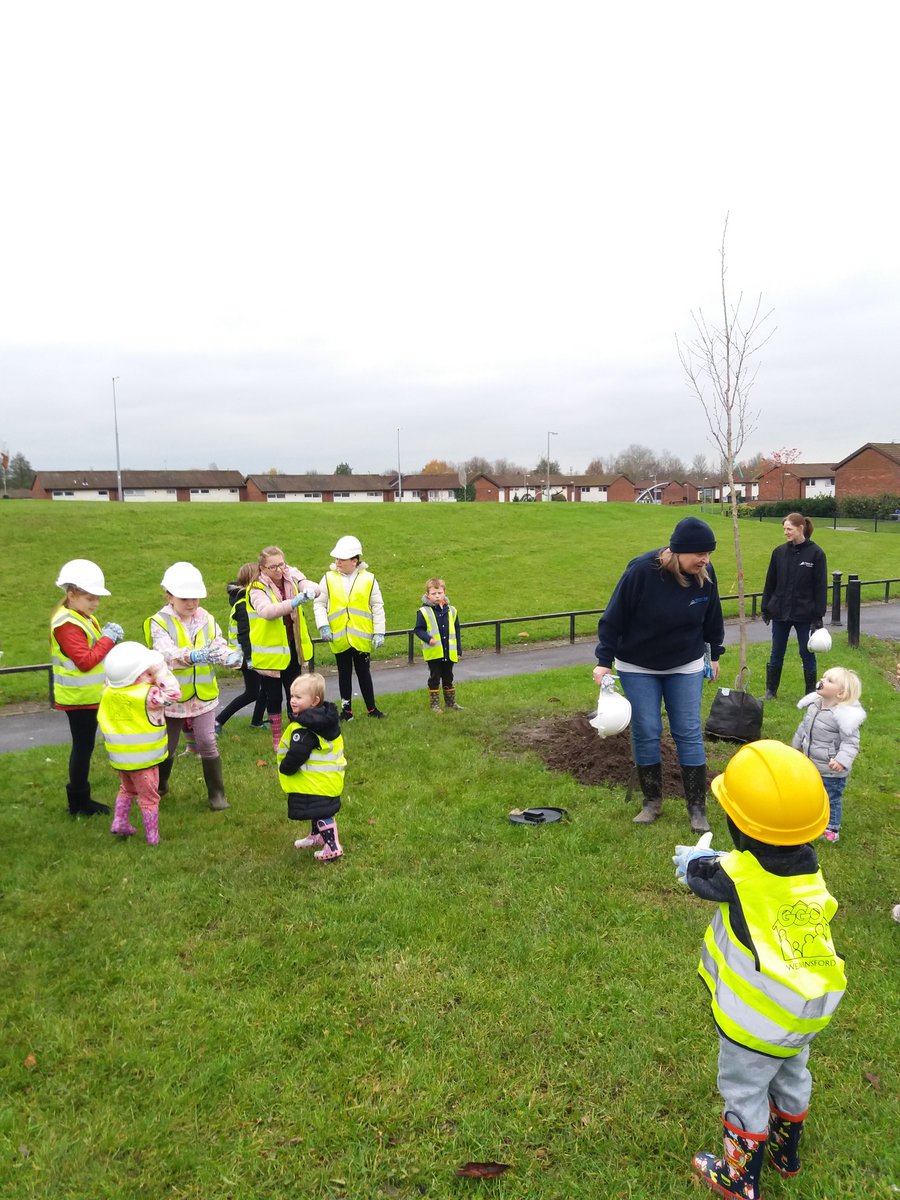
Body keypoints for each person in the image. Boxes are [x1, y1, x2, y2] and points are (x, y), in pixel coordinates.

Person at [673, 740, 846, 1199]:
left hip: (757, 1022)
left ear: (737, 824)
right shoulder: (809, 869)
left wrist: (691, 860)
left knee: (744, 1090)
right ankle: (785, 1156)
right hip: (805, 1011)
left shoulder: (737, 876)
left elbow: (702, 874)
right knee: (792, 1075)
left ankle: (737, 1179)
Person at [593, 517, 724, 832]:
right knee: (647, 730)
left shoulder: (705, 575)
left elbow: (712, 616)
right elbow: (614, 617)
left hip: (685, 663)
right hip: (638, 664)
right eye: (699, 553)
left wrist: (714, 653)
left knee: (688, 732)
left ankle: (697, 809)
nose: (705, 559)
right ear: (678, 551)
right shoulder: (641, 572)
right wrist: (603, 660)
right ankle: (652, 802)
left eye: (709, 553)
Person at [144, 561, 240, 811]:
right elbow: (165, 654)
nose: (192, 603)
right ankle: (160, 786)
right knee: (168, 745)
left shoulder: (206, 618)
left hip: (203, 695)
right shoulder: (158, 622)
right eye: (185, 598)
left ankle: (216, 795)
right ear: (169, 596)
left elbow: (216, 644)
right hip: (172, 696)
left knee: (208, 741)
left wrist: (229, 657)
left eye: (195, 598)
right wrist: (192, 655)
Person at [50, 558, 124, 816]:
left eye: (97, 598)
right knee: (82, 747)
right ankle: (79, 802)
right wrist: (108, 639)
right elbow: (85, 660)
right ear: (71, 595)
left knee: (85, 746)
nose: (95, 603)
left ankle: (81, 799)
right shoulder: (67, 623)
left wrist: (104, 638)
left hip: (88, 695)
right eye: (90, 598)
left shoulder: (79, 616)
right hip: (78, 698)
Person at [97, 642, 181, 845]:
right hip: (144, 758)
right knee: (149, 797)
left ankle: (120, 821)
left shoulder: (108, 690)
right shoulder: (149, 696)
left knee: (127, 788)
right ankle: (153, 836)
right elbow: (174, 694)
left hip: (121, 756)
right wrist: (161, 670)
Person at [247, 546, 320, 752]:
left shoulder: (291, 574)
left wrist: (310, 590)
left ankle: (296, 732)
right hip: (270, 651)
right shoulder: (256, 588)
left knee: (295, 693)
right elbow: (267, 612)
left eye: (281, 564)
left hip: (292, 646)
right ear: (262, 568)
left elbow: (313, 586)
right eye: (273, 567)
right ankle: (277, 737)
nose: (279, 570)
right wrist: (294, 601)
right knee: (273, 696)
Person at [313, 535, 387, 720]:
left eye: (342, 559)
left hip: (360, 635)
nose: (337, 562)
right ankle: (346, 711)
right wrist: (323, 626)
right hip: (338, 636)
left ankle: (372, 709)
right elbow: (319, 603)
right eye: (336, 558)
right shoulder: (328, 578)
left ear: (354, 561)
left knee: (364, 673)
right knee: (343, 674)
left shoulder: (369, 579)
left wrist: (379, 632)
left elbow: (377, 605)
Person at [792, 666, 865, 844]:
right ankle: (811, 820)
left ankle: (831, 828)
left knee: (831, 797)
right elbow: (804, 728)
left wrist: (841, 761)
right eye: (823, 677)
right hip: (811, 763)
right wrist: (795, 747)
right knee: (811, 793)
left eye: (829, 680)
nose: (822, 681)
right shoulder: (815, 705)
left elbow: (850, 742)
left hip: (831, 769)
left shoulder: (844, 715)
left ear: (840, 694)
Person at [278, 672, 345, 862]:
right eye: (292, 695)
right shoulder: (323, 720)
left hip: (316, 782)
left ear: (315, 701)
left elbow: (298, 754)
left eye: (299, 697)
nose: (292, 700)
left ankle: (333, 847)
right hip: (326, 780)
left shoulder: (306, 728)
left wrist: (286, 767)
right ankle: (317, 835)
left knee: (322, 812)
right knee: (316, 809)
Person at [761, 513, 828, 700]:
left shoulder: (816, 554)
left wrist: (818, 616)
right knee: (777, 652)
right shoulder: (779, 552)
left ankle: (810, 694)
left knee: (806, 653)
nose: (785, 532)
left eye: (789, 529)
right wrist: (766, 608)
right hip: (780, 611)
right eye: (784, 529)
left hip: (804, 613)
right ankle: (770, 691)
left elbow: (820, 587)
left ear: (800, 528)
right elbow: (770, 582)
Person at [215, 562, 268, 734]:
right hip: (246, 655)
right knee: (253, 692)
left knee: (265, 688)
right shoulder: (244, 602)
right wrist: (250, 659)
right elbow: (244, 633)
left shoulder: (244, 599)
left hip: (251, 653)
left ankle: (257, 721)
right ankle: (218, 721)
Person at [414, 577, 463, 712]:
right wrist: (428, 639)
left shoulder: (452, 610)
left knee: (449, 676)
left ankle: (450, 703)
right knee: (435, 677)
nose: (437, 596)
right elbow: (418, 629)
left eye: (439, 593)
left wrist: (458, 647)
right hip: (434, 652)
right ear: (428, 595)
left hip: (449, 651)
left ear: (444, 593)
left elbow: (456, 629)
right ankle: (434, 705)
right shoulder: (424, 612)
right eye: (434, 594)